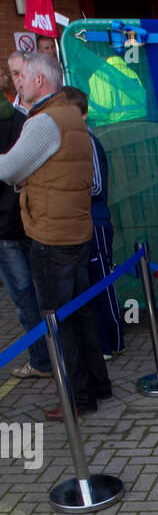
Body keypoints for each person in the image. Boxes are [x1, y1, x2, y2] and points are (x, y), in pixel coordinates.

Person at [0, 52, 111, 418]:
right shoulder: (69, 116)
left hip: (52, 237)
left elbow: (9, 169)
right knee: (81, 314)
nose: (18, 83)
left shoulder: (45, 121)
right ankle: (98, 386)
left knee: (58, 321)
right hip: (75, 230)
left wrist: (21, 176)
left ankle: (79, 399)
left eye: (23, 76)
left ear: (39, 81)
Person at [62, 86, 124, 357]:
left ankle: (113, 341)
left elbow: (96, 185)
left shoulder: (86, 140)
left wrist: (63, 190)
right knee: (87, 285)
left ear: (80, 113)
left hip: (96, 223)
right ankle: (97, 341)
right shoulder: (69, 140)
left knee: (102, 282)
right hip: (78, 224)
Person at [0, 89, 52, 378]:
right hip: (29, 217)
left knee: (24, 298)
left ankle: (43, 360)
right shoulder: (23, 119)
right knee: (41, 290)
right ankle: (56, 354)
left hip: (8, 226)